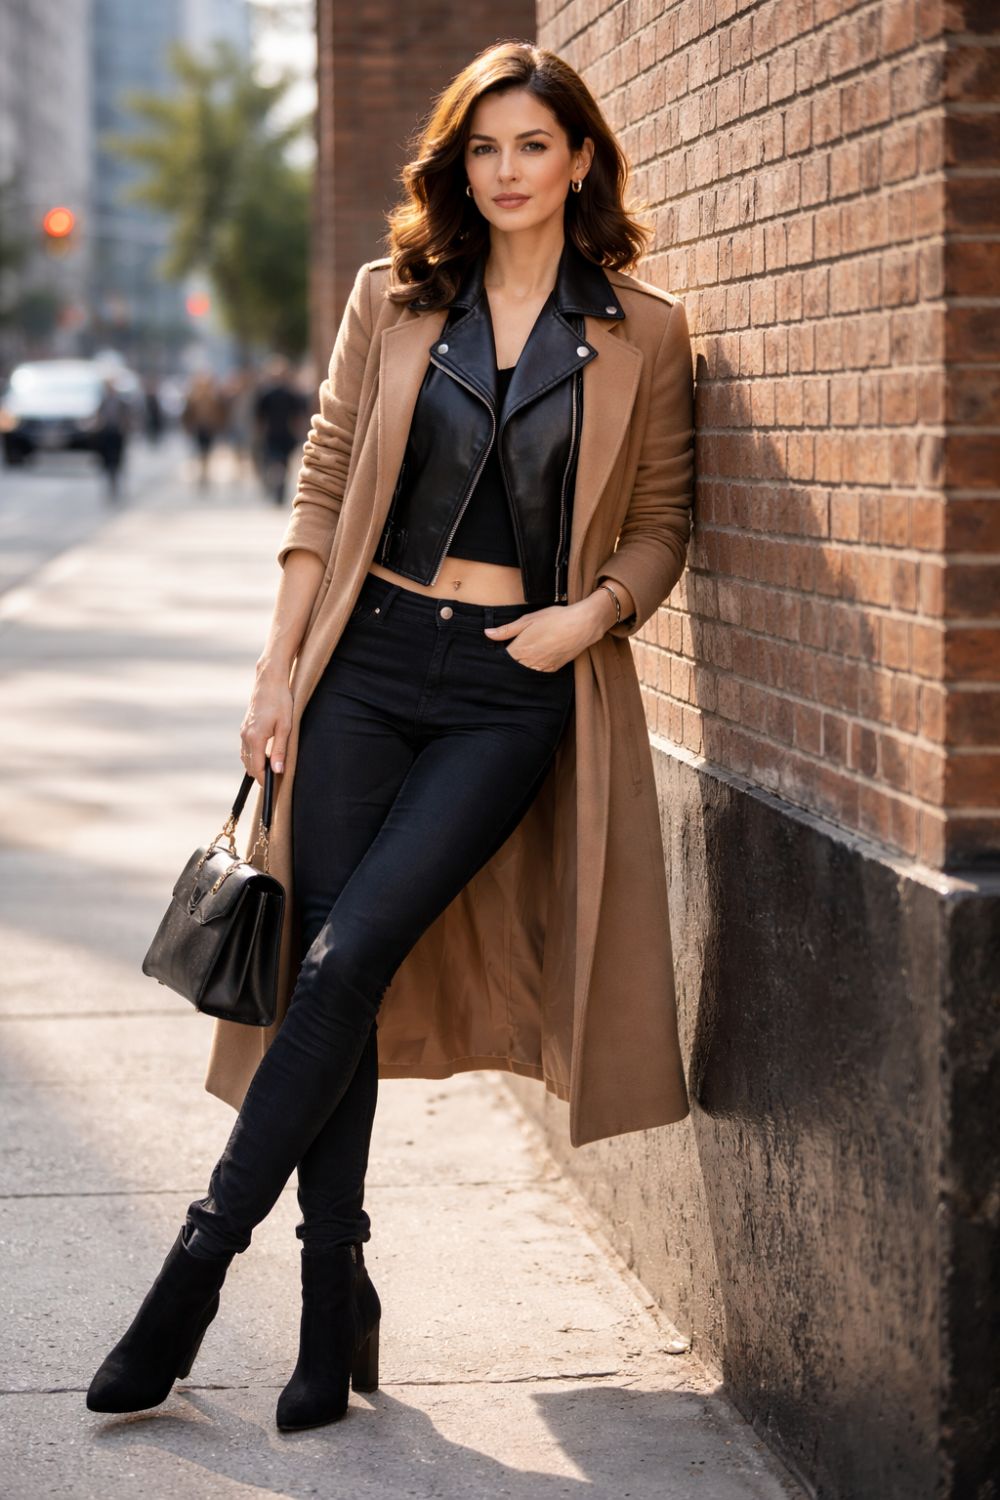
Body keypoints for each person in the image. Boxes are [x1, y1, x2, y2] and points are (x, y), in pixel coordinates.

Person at [86, 41, 695, 1432]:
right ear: (456, 164)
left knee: (352, 953)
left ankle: (195, 1266)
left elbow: (664, 521)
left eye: (533, 145)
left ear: (581, 158)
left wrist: (588, 614)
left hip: (509, 683)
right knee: (322, 972)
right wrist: (275, 672)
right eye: (483, 149)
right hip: (365, 662)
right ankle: (327, 1298)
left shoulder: (644, 332)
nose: (506, 172)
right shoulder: (394, 298)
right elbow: (321, 483)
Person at [253, 356, 308, 505]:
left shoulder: (289, 394)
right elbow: (260, 415)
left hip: (282, 435)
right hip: (276, 434)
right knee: (278, 463)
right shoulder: (268, 394)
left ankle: (278, 490)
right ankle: (277, 489)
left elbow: (298, 415)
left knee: (280, 464)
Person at [181, 371, 228, 489]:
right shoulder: (192, 398)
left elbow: (221, 413)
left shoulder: (215, 398)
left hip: (210, 428)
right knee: (200, 452)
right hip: (198, 428)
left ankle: (205, 473)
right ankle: (202, 473)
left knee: (207, 452)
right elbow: (187, 414)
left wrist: (220, 426)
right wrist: (187, 427)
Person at [93, 377, 129, 499]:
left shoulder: (121, 402)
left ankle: (116, 480)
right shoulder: (103, 402)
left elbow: (126, 418)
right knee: (107, 460)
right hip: (106, 434)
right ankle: (110, 479)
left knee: (117, 459)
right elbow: (98, 417)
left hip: (117, 434)